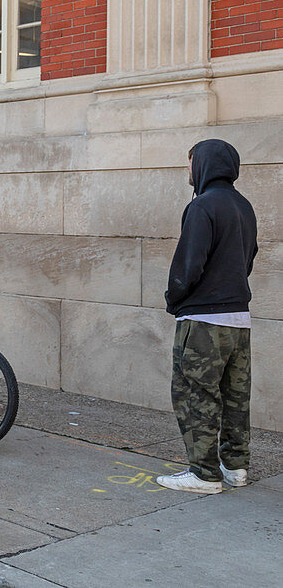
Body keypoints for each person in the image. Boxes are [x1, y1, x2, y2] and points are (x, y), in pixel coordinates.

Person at [157, 139, 258, 495]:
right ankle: (236, 468)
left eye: (190, 163)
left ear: (202, 165)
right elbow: (247, 261)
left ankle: (203, 474)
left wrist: (174, 298)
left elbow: (188, 264)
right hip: (239, 319)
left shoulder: (202, 206)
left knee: (194, 395)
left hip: (203, 322)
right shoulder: (243, 206)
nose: (188, 170)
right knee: (235, 397)